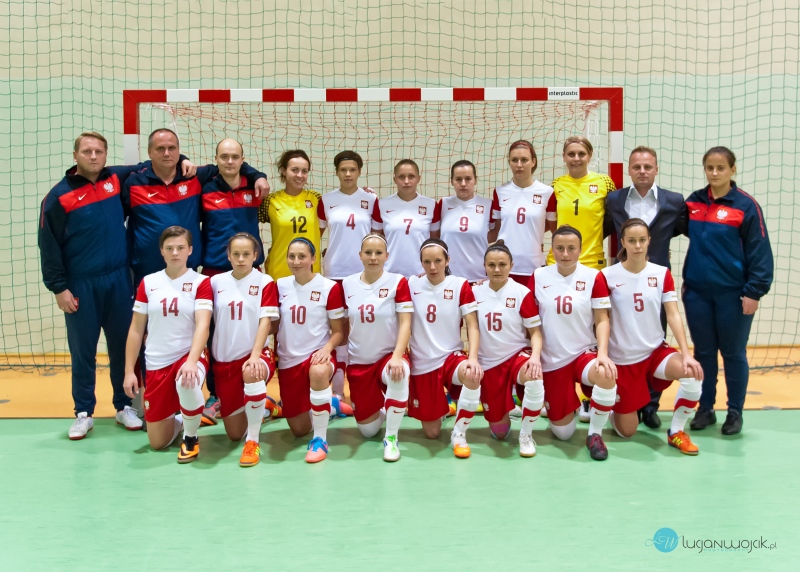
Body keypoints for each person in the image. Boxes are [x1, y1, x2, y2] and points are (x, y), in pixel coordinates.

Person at [38, 131, 180, 439]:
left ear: (105, 155)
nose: (93, 156)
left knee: (122, 346)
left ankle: (123, 405)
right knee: (83, 351)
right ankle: (83, 412)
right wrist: (58, 288)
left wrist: (184, 160)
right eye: (87, 151)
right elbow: (48, 246)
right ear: (75, 155)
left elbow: (157, 161)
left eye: (98, 151)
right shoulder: (58, 197)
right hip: (80, 285)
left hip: (118, 280)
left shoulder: (116, 179)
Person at [684, 147, 773, 435]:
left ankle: (735, 412)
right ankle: (705, 409)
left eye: (720, 167)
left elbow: (760, 251)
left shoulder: (747, 206)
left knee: (733, 353)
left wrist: (754, 292)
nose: (714, 173)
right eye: (709, 167)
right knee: (704, 353)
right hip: (697, 294)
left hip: (733, 296)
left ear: (733, 170)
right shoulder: (693, 202)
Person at [601, 219, 704, 453]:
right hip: (623, 359)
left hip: (655, 352)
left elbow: (673, 314)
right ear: (623, 242)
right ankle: (614, 407)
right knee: (627, 432)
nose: (637, 245)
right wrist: (603, 353)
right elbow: (601, 319)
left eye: (642, 240)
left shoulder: (661, 273)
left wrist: (686, 354)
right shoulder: (607, 275)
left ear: (649, 241)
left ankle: (676, 431)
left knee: (692, 373)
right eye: (632, 240)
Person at [604, 146, 688, 428]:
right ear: (629, 169)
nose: (642, 171)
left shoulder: (674, 201)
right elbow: (604, 229)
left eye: (648, 167)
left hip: (655, 282)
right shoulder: (614, 199)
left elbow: (681, 230)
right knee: (624, 339)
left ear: (656, 169)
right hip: (623, 281)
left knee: (654, 341)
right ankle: (624, 398)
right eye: (637, 167)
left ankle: (651, 405)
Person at [123, 128, 268, 287]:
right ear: (149, 152)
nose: (166, 153)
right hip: (148, 269)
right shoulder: (133, 183)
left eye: (172, 148)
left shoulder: (194, 177)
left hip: (188, 270)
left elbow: (230, 166)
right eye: (160, 148)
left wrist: (259, 176)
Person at [122, 226, 213, 463]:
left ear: (190, 250)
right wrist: (129, 371)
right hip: (156, 362)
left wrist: (192, 361)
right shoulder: (148, 282)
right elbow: (136, 330)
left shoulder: (200, 282)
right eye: (169, 248)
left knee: (186, 381)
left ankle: (191, 438)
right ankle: (187, 417)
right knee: (157, 443)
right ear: (161, 251)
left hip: (188, 355)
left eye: (180, 248)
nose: (175, 253)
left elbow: (203, 325)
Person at [529, 226, 618, 461]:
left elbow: (602, 319)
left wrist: (603, 354)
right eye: (560, 248)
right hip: (553, 360)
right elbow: (529, 320)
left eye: (571, 248)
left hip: (583, 354)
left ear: (580, 249)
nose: (565, 254)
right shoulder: (539, 276)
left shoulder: (593, 276)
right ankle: (573, 405)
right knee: (564, 434)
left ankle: (595, 434)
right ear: (552, 249)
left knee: (606, 374)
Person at [199, 138, 267, 423]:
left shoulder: (254, 188)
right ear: (216, 159)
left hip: (252, 271)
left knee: (253, 331)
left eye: (235, 157)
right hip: (215, 272)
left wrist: (258, 174)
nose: (229, 161)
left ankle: (256, 391)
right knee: (216, 334)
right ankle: (216, 394)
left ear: (242, 159)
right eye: (224, 156)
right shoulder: (203, 188)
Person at [408, 238, 483, 458]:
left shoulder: (460, 285)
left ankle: (459, 435)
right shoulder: (411, 284)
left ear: (447, 260)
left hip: (451, 357)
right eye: (427, 262)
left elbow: (472, 325)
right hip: (422, 363)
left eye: (438, 261)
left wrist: (473, 358)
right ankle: (443, 408)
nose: (432, 267)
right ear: (421, 262)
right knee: (432, 433)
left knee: (472, 375)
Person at [342, 233, 413, 462]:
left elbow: (406, 323)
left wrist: (397, 355)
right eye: (368, 252)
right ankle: (386, 408)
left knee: (399, 373)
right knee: (368, 431)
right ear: (360, 255)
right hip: (359, 362)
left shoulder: (398, 282)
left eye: (378, 253)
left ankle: (391, 438)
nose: (373, 257)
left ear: (386, 256)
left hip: (387, 356)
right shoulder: (347, 284)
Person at [274, 238, 346, 463]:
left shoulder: (329, 287)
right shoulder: (280, 285)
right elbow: (273, 324)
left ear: (313, 258)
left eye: (302, 256)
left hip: (317, 354)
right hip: (288, 360)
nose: (296, 261)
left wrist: (327, 349)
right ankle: (331, 406)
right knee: (298, 429)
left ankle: (320, 439)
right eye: (292, 257)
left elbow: (338, 332)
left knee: (318, 371)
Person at [210, 233, 278, 467]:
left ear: (255, 256)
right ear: (228, 255)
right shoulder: (215, 282)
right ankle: (264, 405)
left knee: (252, 372)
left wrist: (255, 355)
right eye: (236, 254)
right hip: (224, 362)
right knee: (233, 433)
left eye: (246, 254)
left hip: (255, 355)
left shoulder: (264, 281)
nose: (241, 259)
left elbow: (266, 321)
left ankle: (253, 441)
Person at [472, 241, 545, 457]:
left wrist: (535, 357)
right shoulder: (474, 292)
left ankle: (526, 435)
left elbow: (536, 333)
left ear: (511, 265)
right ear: (484, 266)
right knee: (500, 432)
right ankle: (507, 409)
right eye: (491, 265)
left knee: (534, 375)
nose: (497, 270)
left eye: (502, 264)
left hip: (516, 356)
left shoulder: (522, 292)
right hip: (489, 363)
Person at [318, 150, 379, 403]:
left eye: (352, 169)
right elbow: (316, 234)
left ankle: (365, 388)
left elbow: (377, 236)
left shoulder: (371, 199)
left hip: (365, 273)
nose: (348, 174)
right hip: (335, 272)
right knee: (339, 329)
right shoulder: (326, 200)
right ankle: (337, 390)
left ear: (359, 172)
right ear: (336, 172)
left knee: (363, 326)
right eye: (343, 170)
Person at [488, 140, 555, 284]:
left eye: (524, 160)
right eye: (514, 160)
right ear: (509, 162)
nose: (519, 165)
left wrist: (533, 236)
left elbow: (553, 228)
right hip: (504, 267)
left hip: (534, 266)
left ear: (533, 162)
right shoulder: (500, 191)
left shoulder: (547, 192)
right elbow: (498, 229)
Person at [546, 136, 615, 270]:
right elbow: (550, 221)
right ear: (564, 157)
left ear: (589, 156)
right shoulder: (556, 185)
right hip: (558, 261)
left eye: (581, 154)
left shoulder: (605, 182)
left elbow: (612, 219)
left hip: (592, 262)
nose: (576, 159)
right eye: (571, 154)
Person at [259, 150, 322, 280]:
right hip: (279, 270)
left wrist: (363, 194)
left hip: (310, 271)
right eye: (294, 170)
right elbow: (247, 220)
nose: (300, 175)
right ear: (283, 170)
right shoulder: (270, 201)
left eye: (304, 171)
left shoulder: (317, 198)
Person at [372, 159, 440, 277]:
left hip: (422, 274)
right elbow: (375, 243)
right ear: (395, 179)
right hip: (389, 274)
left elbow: (435, 243)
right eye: (401, 177)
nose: (406, 181)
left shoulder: (432, 205)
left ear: (418, 178)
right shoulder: (381, 204)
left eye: (411, 176)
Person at [431, 160, 495, 282]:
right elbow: (436, 236)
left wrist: (478, 237)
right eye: (458, 179)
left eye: (468, 179)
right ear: (451, 181)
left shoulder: (488, 205)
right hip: (448, 277)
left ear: (475, 180)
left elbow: (495, 232)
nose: (463, 184)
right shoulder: (443, 204)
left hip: (479, 277)